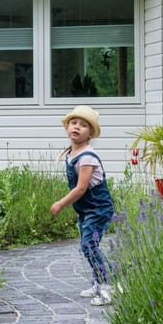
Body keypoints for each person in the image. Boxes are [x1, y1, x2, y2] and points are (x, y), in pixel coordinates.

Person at [51, 105, 115, 306]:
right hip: (86, 209)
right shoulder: (72, 152)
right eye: (74, 123)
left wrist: (61, 204)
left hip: (98, 208)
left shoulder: (87, 156)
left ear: (90, 133)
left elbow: (81, 189)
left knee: (89, 246)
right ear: (67, 127)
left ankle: (107, 286)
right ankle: (99, 282)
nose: (77, 127)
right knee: (89, 245)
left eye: (84, 125)